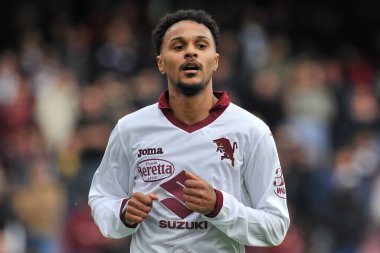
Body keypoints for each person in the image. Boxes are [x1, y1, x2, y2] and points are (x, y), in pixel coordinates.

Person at [88, 9, 290, 253]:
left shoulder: (252, 131)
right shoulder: (129, 129)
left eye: (201, 45)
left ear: (215, 61)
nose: (191, 52)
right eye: (178, 46)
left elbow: (276, 227)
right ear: (161, 63)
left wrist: (218, 206)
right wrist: (123, 214)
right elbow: (101, 198)